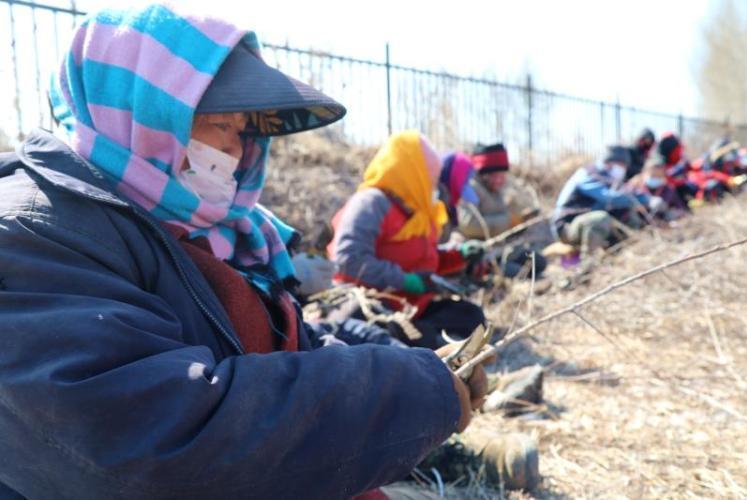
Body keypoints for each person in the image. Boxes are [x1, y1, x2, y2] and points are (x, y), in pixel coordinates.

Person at [0, 5, 489, 498]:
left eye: (242, 130)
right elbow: (153, 446)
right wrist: (405, 391)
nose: (236, 151)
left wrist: (416, 372)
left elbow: (287, 344)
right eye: (218, 125)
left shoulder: (202, 230)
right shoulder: (32, 234)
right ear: (145, 112)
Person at [328, 131, 486, 349]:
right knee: (389, 335)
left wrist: (458, 255)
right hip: (373, 306)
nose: (434, 185)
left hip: (412, 308)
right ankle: (431, 351)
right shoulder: (371, 203)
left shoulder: (419, 212)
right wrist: (405, 281)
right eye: (430, 177)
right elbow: (348, 259)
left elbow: (425, 260)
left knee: (470, 316)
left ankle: (431, 347)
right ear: (413, 172)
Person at [456, 143, 546, 278]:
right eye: (494, 176)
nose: (499, 180)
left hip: (501, 249)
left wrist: (521, 222)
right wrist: (509, 221)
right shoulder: (470, 189)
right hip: (479, 253)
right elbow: (469, 225)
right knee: (518, 273)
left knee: (538, 262)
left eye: (501, 176)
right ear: (483, 174)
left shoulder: (497, 191)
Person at [553, 146, 649, 258]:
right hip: (568, 227)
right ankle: (586, 267)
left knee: (628, 216)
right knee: (601, 219)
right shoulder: (588, 174)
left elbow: (629, 197)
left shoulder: (609, 178)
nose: (623, 170)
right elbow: (610, 198)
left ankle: (614, 260)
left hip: (588, 222)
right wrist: (639, 198)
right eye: (621, 166)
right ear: (609, 163)